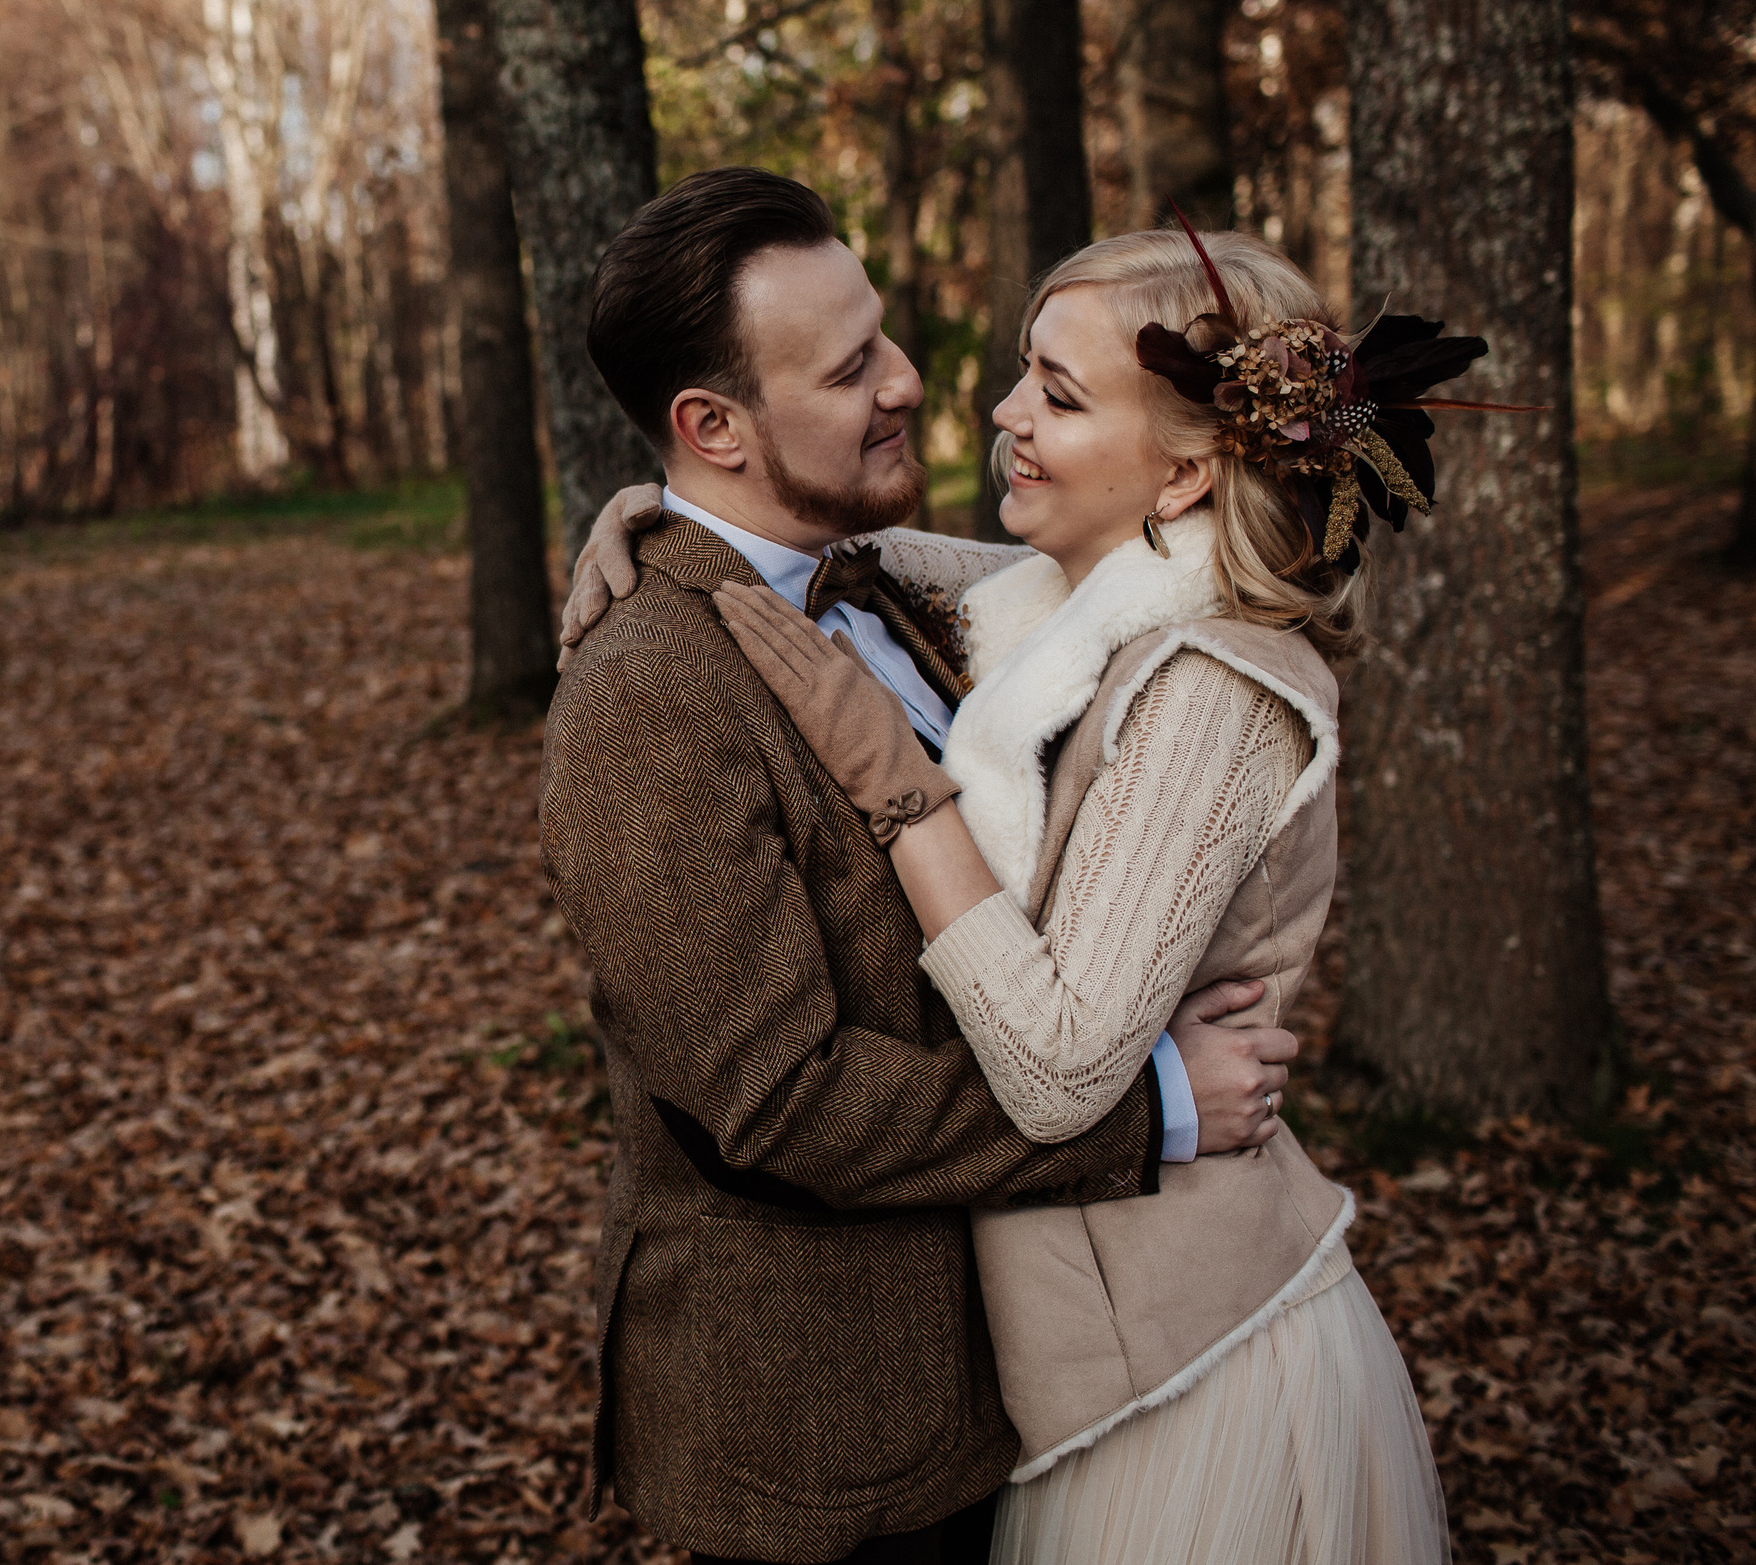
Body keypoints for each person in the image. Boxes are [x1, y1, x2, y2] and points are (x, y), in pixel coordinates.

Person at [562, 199, 1479, 1563]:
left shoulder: (950, 609)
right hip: (837, 1423)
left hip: (1095, 1368)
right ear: (713, 427)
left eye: (884, 340)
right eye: (850, 368)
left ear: (1185, 474)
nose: (918, 387)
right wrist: (1158, 1107)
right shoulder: (657, 687)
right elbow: (773, 1102)